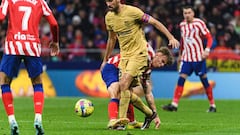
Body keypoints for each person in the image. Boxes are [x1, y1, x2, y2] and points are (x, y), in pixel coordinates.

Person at [102, 0, 179, 129]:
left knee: (124, 84)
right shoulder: (109, 18)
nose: (108, 3)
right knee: (125, 90)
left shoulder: (133, 12)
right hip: (124, 56)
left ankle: (120, 121)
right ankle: (148, 115)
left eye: (111, 0)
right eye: (107, 1)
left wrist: (170, 37)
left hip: (138, 54)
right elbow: (111, 38)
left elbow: (154, 22)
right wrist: (105, 59)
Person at [0, 0, 59, 135]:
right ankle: (38, 118)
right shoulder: (40, 2)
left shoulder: (8, 0)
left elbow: (1, 17)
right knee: (37, 83)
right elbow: (54, 23)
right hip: (32, 47)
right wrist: (55, 41)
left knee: (4, 82)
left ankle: (12, 120)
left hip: (13, 46)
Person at [101, 45, 174, 130]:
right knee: (116, 92)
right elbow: (140, 41)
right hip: (113, 67)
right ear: (158, 54)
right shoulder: (147, 51)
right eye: (162, 61)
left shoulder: (147, 70)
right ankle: (113, 120)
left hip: (125, 71)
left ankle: (133, 122)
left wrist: (156, 116)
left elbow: (148, 93)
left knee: (127, 94)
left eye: (164, 64)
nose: (161, 65)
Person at [162, 5, 216, 112]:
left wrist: (207, 50)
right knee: (181, 79)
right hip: (187, 58)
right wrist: (181, 54)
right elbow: (183, 41)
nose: (187, 15)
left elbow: (209, 37)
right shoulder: (182, 25)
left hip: (198, 58)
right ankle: (174, 104)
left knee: (204, 80)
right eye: (185, 13)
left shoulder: (199, 23)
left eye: (189, 13)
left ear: (193, 13)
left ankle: (212, 105)